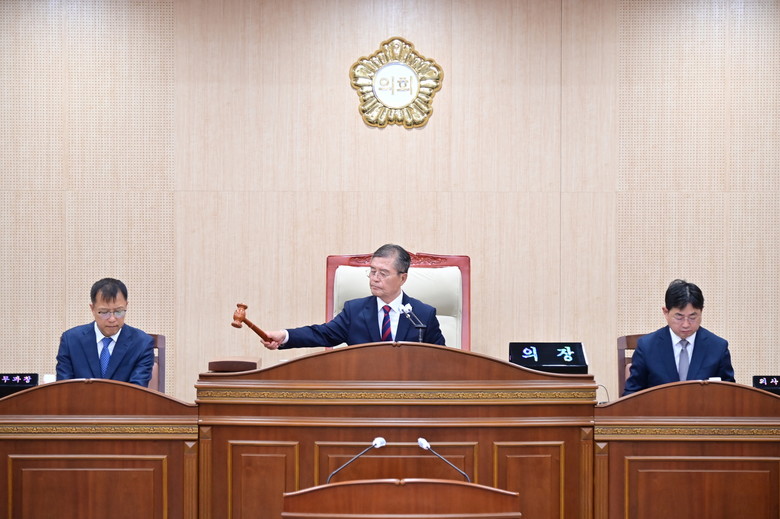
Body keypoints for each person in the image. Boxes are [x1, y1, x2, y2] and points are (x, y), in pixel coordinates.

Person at [263, 244, 446, 350]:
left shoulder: (423, 315)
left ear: (402, 278)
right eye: (372, 271)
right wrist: (284, 336)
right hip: (363, 394)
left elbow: (442, 360)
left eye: (383, 273)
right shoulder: (354, 311)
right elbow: (321, 334)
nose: (375, 278)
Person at [623, 279, 735, 396]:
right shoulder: (647, 347)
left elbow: (730, 394)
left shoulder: (718, 347)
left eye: (692, 317)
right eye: (679, 317)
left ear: (701, 311)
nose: (686, 324)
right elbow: (631, 394)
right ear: (666, 312)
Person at [56, 278, 155, 387]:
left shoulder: (142, 343)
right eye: (104, 312)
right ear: (92, 309)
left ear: (126, 306)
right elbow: (64, 389)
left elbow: (137, 391)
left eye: (119, 311)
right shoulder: (71, 340)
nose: (112, 319)